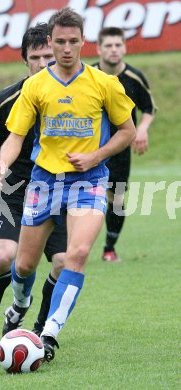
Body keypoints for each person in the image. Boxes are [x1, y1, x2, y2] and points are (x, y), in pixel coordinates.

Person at [0, 7, 136, 362]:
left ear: (84, 42)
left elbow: (127, 131)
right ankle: (20, 303)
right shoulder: (36, 86)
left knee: (78, 254)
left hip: (89, 180)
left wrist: (97, 155)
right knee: (24, 266)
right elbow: (15, 136)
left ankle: (50, 333)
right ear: (51, 42)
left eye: (74, 41)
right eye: (60, 42)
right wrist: (3, 164)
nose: (67, 48)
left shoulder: (105, 83)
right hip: (43, 180)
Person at [0, 23, 67, 348]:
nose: (43, 63)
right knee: (4, 256)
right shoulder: (5, 100)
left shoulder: (72, 99)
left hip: (56, 192)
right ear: (25, 59)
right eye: (36, 57)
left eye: (48, 56)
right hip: (12, 193)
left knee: (65, 261)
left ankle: (39, 330)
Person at [92, 27, 156, 262]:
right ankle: (66, 248)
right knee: (75, 197)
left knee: (115, 200)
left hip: (119, 151)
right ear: (99, 49)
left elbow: (149, 108)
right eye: (108, 45)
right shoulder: (88, 76)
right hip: (88, 148)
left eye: (118, 45)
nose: (114, 50)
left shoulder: (134, 78)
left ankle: (109, 248)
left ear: (124, 47)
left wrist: (142, 129)